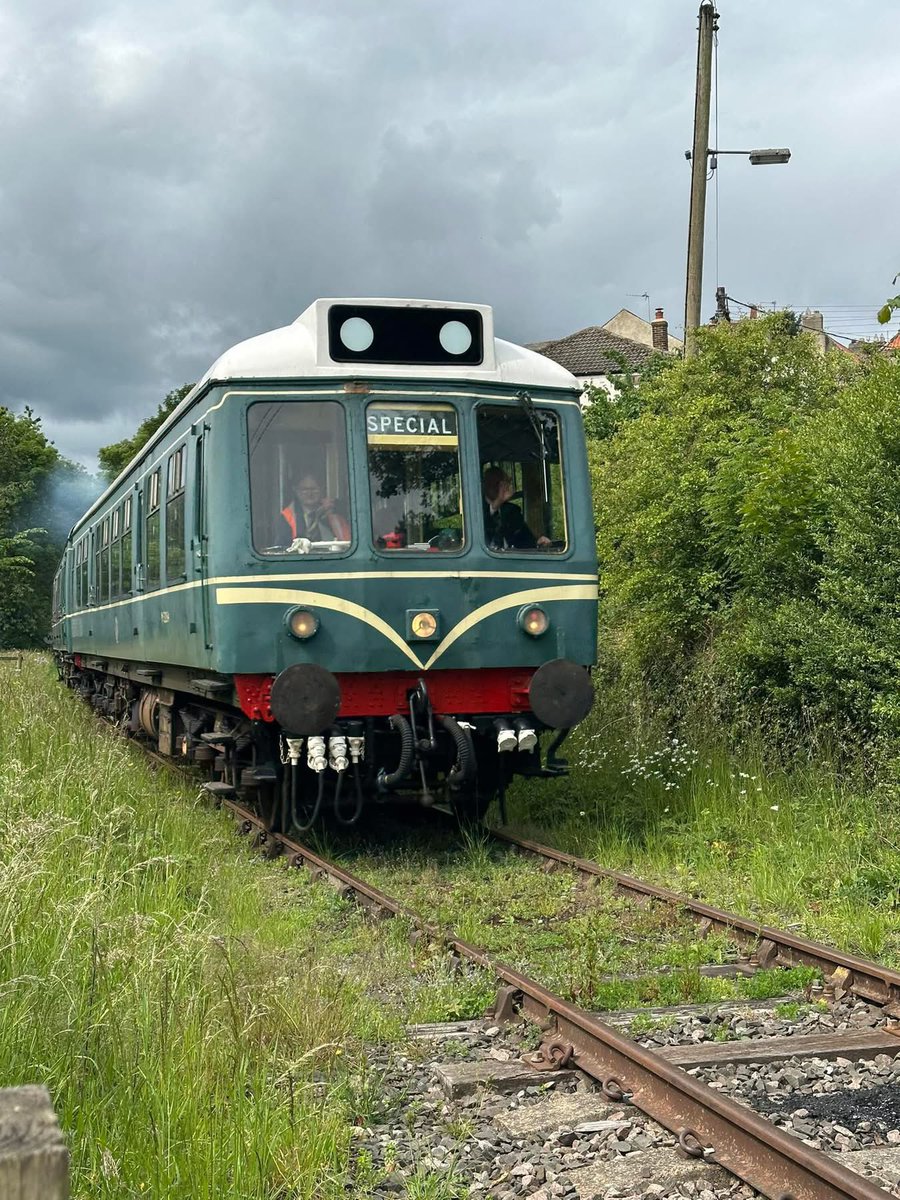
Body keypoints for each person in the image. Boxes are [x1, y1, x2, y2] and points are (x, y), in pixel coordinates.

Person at [482, 466, 550, 550]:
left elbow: (525, 540)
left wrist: (538, 543)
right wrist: (497, 502)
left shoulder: (512, 511)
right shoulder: (477, 511)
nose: (510, 487)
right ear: (500, 485)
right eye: (507, 483)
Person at [279, 473, 350, 544]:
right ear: (296, 490)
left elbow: (346, 542)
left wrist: (334, 513)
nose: (309, 494)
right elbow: (283, 547)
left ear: (322, 489)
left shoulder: (333, 510)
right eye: (304, 490)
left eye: (314, 489)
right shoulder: (287, 516)